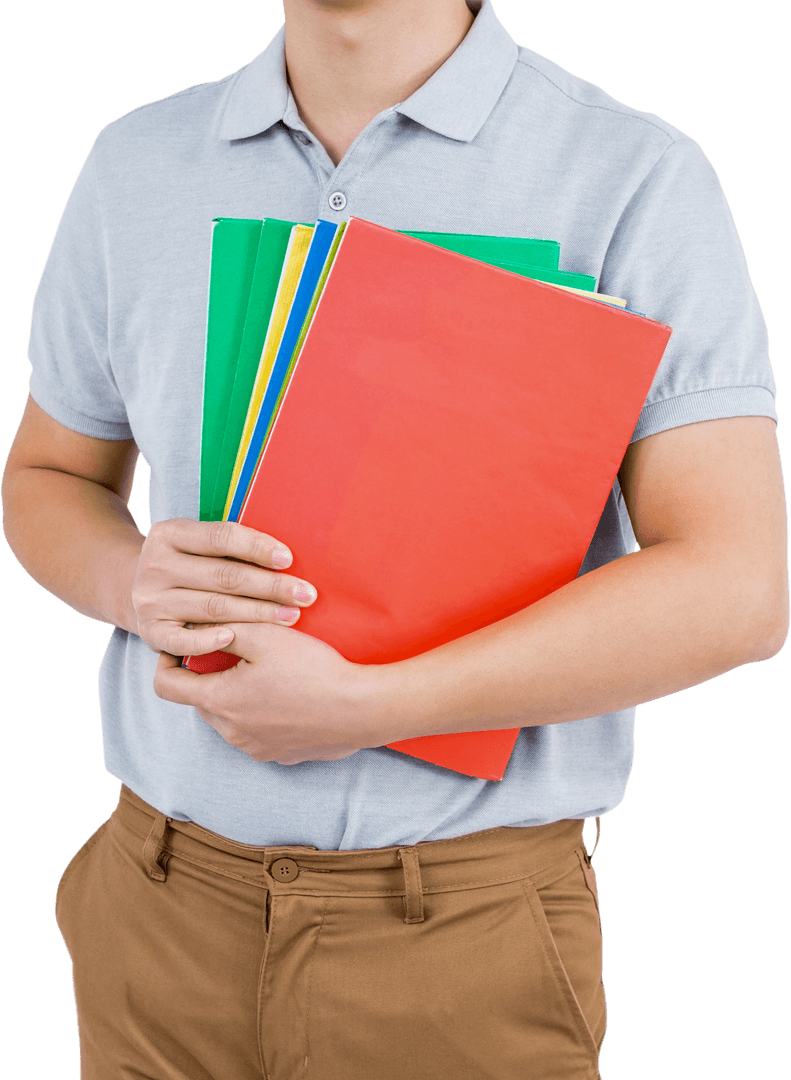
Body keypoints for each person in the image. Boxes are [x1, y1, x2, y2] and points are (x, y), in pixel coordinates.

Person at [2, 0, 787, 1077]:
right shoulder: (135, 160)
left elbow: (736, 590)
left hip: (459, 943)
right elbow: (47, 476)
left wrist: (378, 708)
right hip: (156, 912)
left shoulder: (630, 172)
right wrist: (124, 577)